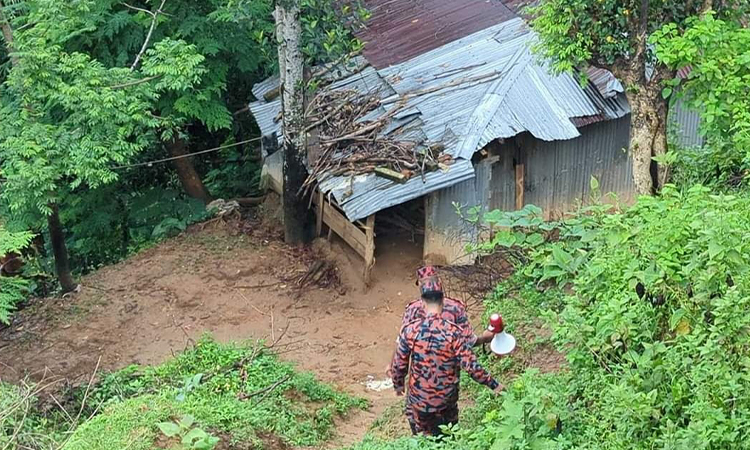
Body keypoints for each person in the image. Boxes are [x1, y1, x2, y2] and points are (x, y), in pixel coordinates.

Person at [390, 270, 502, 436]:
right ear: (442, 300)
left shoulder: (410, 330)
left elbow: (399, 364)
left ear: (422, 302)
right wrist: (495, 385)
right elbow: (471, 366)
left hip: (419, 401)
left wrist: (398, 384)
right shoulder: (453, 332)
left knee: (422, 440)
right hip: (446, 401)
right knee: (448, 438)